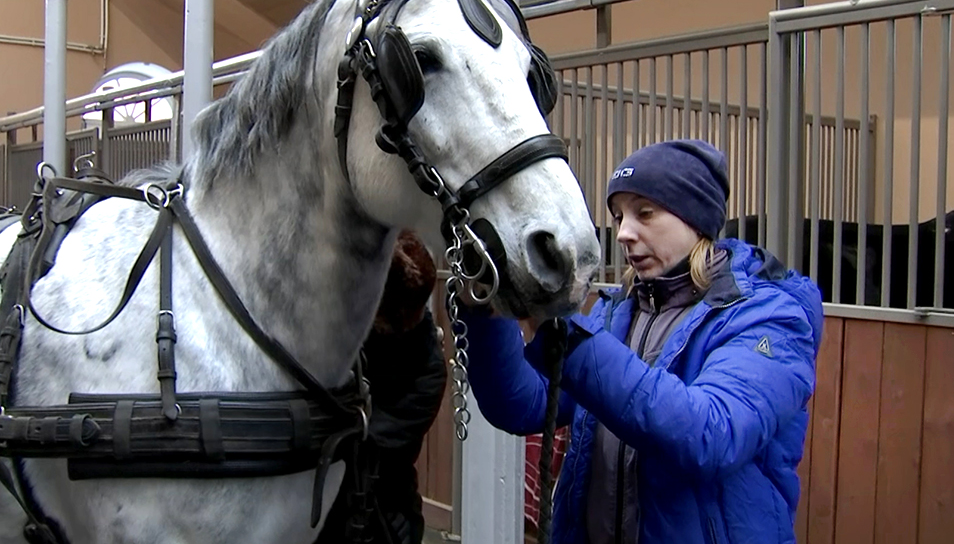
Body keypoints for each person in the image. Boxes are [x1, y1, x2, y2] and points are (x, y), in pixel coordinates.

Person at [460, 139, 824, 544]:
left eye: (645, 213)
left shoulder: (769, 318)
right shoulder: (618, 311)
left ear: (696, 218)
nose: (624, 233)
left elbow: (712, 435)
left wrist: (570, 338)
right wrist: (486, 312)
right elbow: (526, 405)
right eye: (618, 217)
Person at [317, 229, 447, 544]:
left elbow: (365, 439)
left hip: (383, 517)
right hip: (326, 510)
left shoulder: (428, 372)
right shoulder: (347, 334)